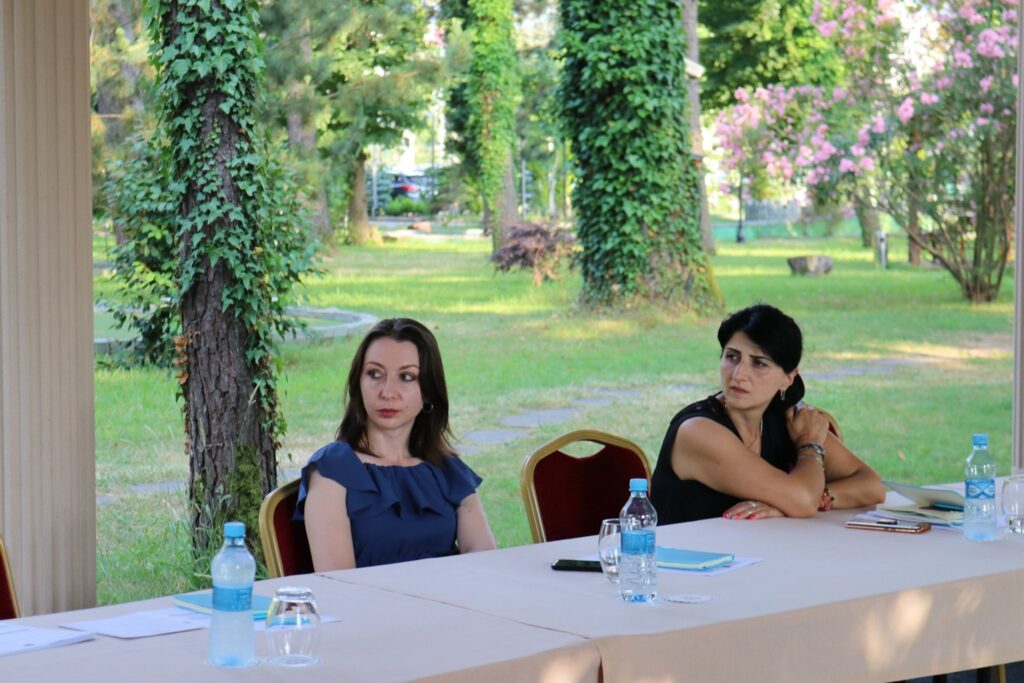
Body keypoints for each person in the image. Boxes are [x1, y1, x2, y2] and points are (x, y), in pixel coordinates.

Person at [650, 304, 885, 523]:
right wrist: (809, 447)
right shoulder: (697, 432)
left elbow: (872, 486)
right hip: (679, 554)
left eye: (759, 363)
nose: (738, 374)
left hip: (756, 551)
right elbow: (803, 500)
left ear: (788, 378)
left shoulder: (786, 419)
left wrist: (794, 502)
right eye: (732, 357)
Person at [294, 317, 496, 570]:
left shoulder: (449, 470)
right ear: (358, 383)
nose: (388, 392)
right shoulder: (332, 470)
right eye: (374, 374)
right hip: (363, 597)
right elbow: (338, 581)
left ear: (428, 392)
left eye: (407, 376)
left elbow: (485, 563)